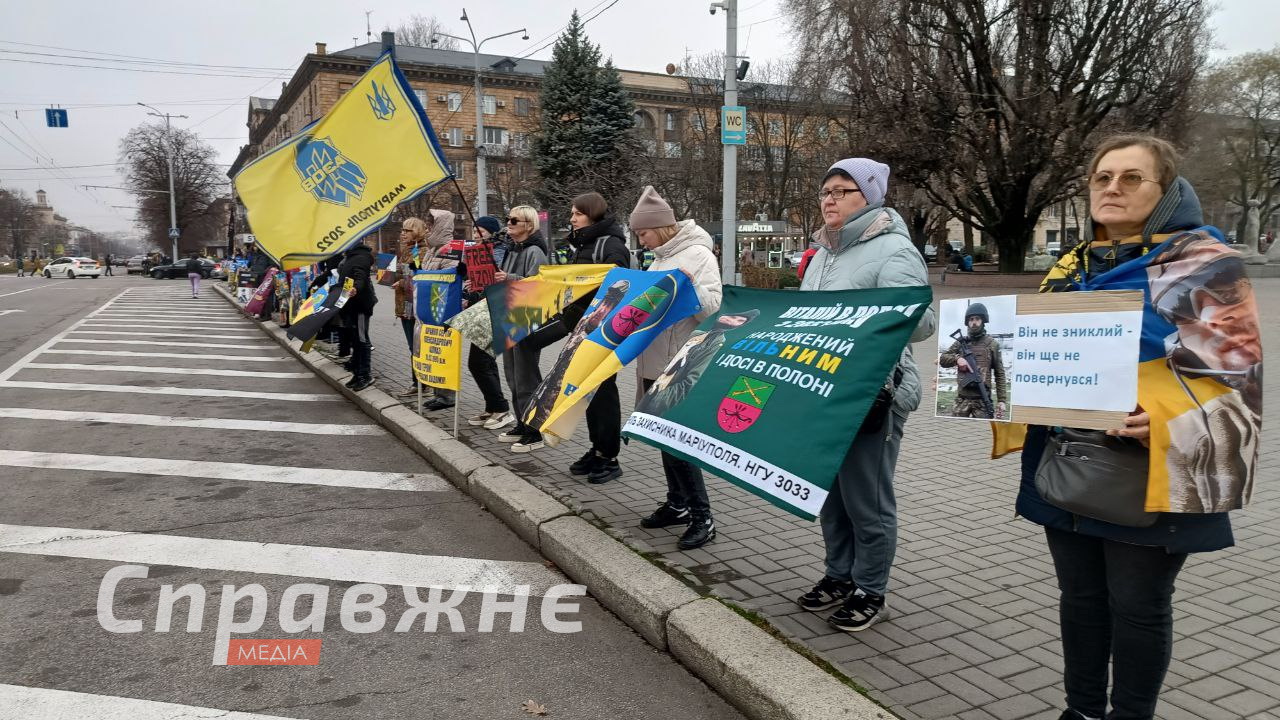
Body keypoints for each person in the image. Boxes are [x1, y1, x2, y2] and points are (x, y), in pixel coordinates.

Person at [1025, 134, 1241, 720]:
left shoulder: (1203, 266)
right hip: (1066, 458)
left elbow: (1236, 371)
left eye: (1131, 178)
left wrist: (1168, 420)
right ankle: (1083, 710)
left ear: (1166, 192)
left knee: (1138, 604)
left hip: (1153, 467)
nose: (1112, 188)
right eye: (1102, 178)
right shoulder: (1072, 266)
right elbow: (1037, 353)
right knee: (1081, 599)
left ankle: (1131, 715)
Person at [794, 157, 936, 633]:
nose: (829, 199)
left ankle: (871, 589)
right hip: (823, 390)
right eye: (825, 191)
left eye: (841, 190)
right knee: (831, 496)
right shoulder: (822, 253)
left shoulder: (894, 249)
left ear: (869, 196)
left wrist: (870, 316)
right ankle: (839, 576)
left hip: (874, 394)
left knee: (867, 501)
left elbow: (923, 322)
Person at [628, 186, 725, 548]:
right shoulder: (660, 256)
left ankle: (703, 517)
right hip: (653, 358)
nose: (642, 239)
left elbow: (714, 308)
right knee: (661, 437)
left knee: (679, 442)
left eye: (644, 232)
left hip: (679, 362)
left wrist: (683, 290)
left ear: (662, 227)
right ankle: (677, 503)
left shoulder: (698, 254)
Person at [548, 191, 631, 473]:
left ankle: (609, 456)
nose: (571, 219)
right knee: (587, 392)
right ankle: (597, 449)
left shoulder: (611, 244)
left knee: (604, 391)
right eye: (572, 213)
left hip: (602, 331)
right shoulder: (583, 243)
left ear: (593, 214)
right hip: (580, 327)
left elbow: (620, 286)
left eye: (577, 213)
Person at [494, 205, 551, 451]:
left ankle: (535, 430)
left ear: (528, 224)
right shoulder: (511, 249)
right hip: (508, 314)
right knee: (512, 374)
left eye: (514, 220)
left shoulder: (535, 250)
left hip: (525, 318)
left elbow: (539, 285)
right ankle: (522, 422)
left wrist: (510, 278)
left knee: (526, 377)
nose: (508, 223)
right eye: (507, 219)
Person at [463, 215, 516, 430]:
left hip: (495, 309)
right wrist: (471, 285)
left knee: (478, 363)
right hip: (481, 307)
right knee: (485, 362)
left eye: (481, 231)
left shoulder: (499, 251)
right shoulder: (476, 252)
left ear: (491, 232)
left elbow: (499, 279)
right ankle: (492, 407)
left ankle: (502, 410)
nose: (477, 234)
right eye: (475, 231)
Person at [938, 302, 1008, 419]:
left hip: (982, 401)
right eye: (971, 319)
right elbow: (943, 359)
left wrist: (1001, 400)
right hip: (962, 399)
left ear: (983, 321)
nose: (974, 322)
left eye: (977, 319)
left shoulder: (992, 344)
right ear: (967, 322)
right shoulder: (961, 343)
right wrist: (957, 359)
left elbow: (999, 373)